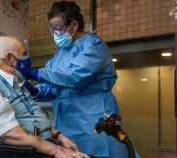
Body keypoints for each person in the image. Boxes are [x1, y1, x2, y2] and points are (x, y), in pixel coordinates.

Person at [17, 1, 136, 158]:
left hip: (93, 116)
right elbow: (54, 87)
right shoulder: (60, 54)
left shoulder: (93, 46)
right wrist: (33, 89)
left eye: (58, 28)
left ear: (73, 25)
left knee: (99, 153)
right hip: (66, 121)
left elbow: (74, 77)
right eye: (51, 29)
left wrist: (35, 73)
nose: (55, 33)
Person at [0, 36, 89, 158]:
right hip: (17, 152)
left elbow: (33, 113)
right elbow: (9, 134)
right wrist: (56, 150)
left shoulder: (16, 78)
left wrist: (58, 135)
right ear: (10, 58)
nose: (27, 58)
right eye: (23, 54)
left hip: (36, 146)